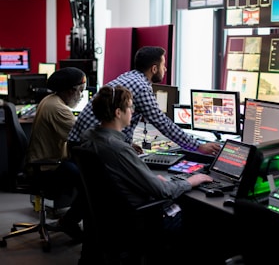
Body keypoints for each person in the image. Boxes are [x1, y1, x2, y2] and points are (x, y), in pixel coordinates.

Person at [79, 85, 214, 264]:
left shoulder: (89, 136)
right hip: (137, 219)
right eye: (130, 107)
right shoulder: (118, 149)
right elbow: (163, 191)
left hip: (111, 218)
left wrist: (147, 181)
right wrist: (192, 181)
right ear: (119, 113)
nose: (133, 111)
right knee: (204, 219)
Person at [68, 46, 221, 156]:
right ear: (154, 69)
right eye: (163, 65)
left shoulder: (128, 76)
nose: (165, 69)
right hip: (96, 149)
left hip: (81, 145)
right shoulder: (141, 87)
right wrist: (199, 146)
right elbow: (163, 123)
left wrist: (126, 145)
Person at [26, 67, 87, 242]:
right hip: (47, 168)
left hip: (44, 163)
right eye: (80, 91)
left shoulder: (50, 100)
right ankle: (69, 221)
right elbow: (85, 135)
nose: (81, 96)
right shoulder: (59, 109)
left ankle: (69, 219)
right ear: (70, 91)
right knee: (92, 182)